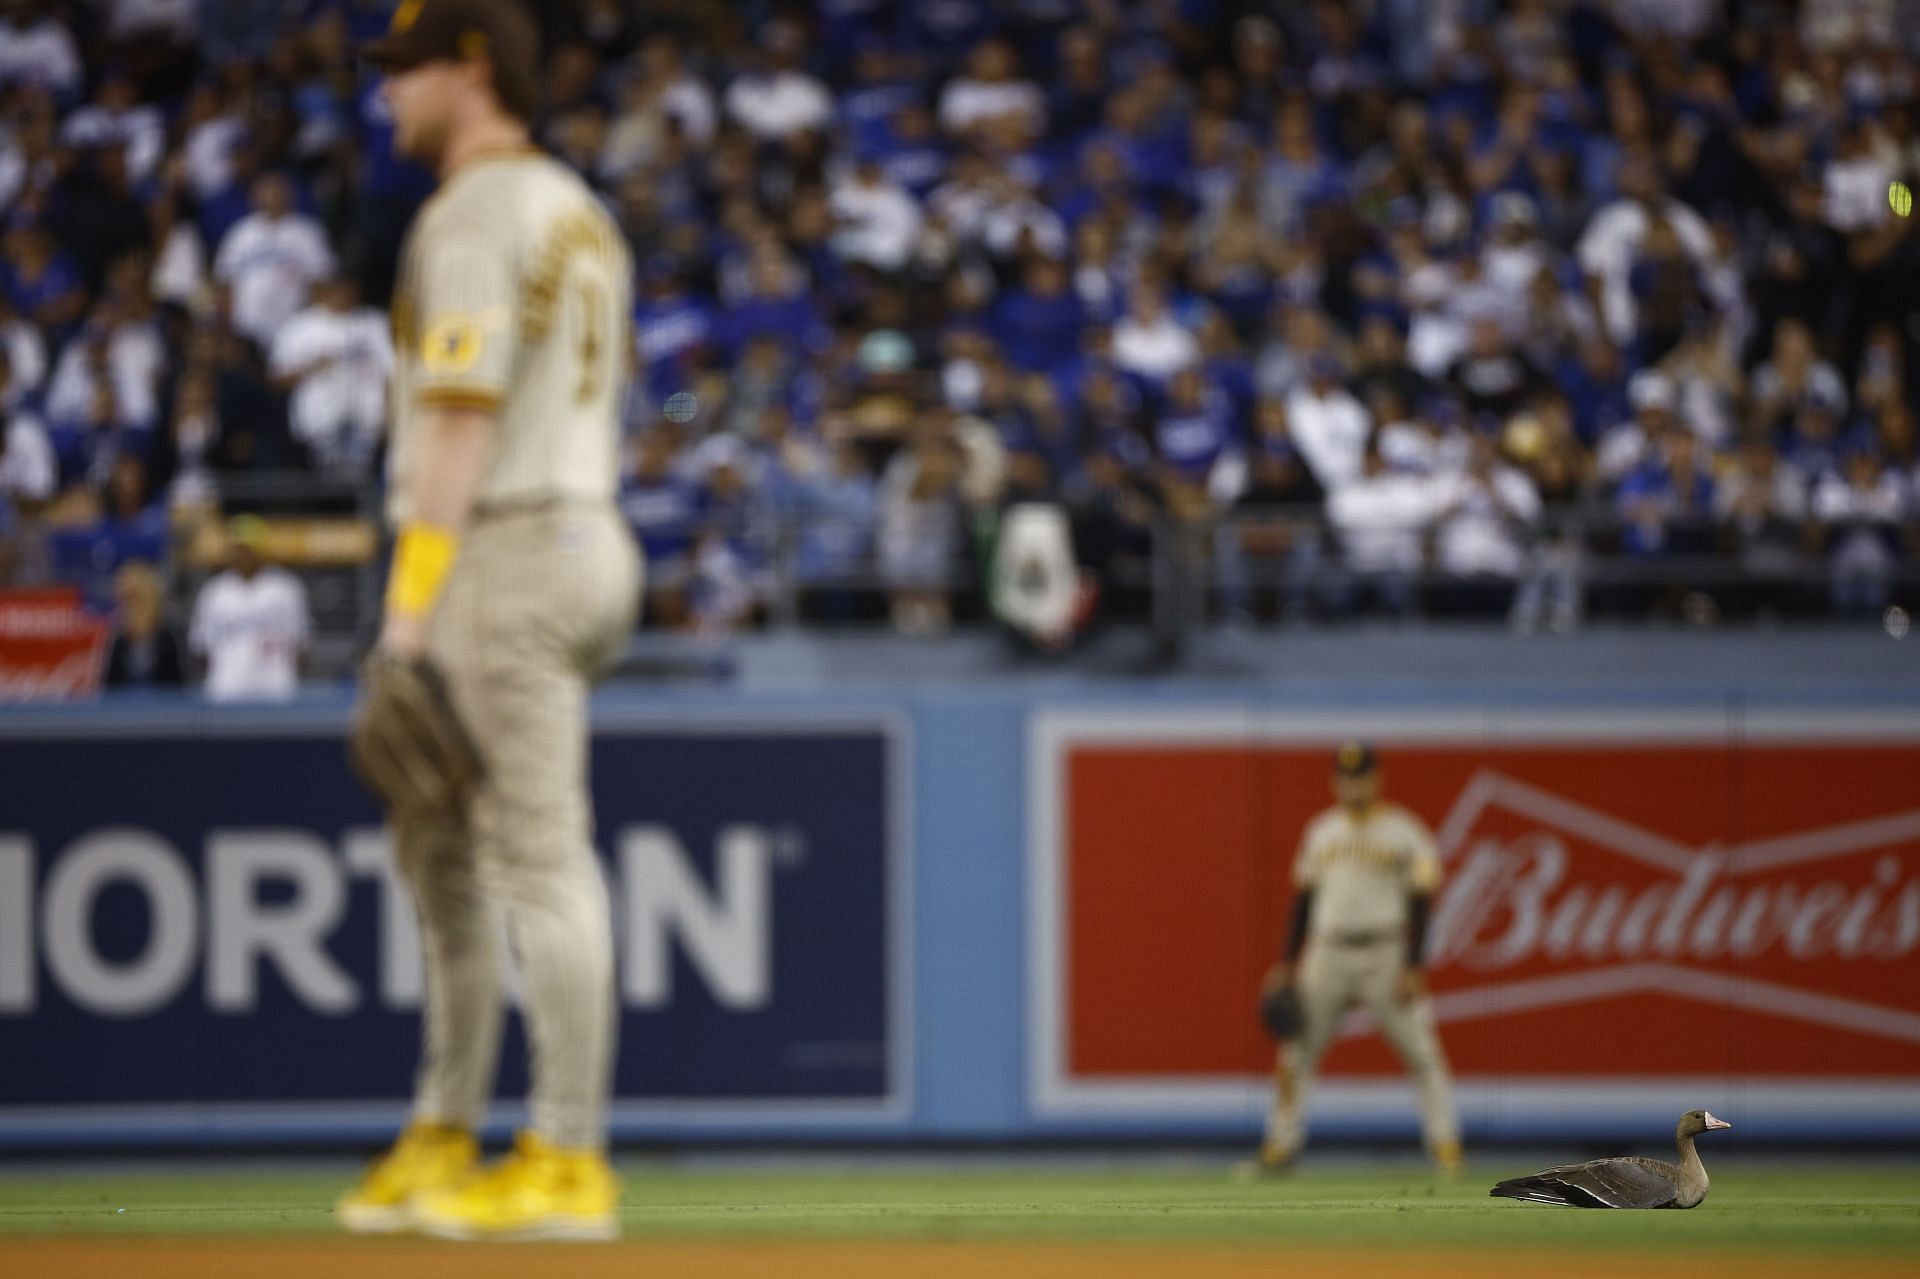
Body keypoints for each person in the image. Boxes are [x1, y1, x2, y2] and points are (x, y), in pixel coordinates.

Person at [336, 0, 641, 1244]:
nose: (385, 94)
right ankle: (444, 1129)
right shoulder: (576, 203)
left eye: (406, 69)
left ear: (473, 67)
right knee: (447, 855)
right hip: (580, 522)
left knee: (531, 855)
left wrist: (407, 616)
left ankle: (566, 1156)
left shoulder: (470, 211)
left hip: (508, 540)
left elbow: (458, 420)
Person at [1251, 742, 1461, 1174]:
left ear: (1376, 779)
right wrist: (1287, 963)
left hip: (1386, 951)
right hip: (1327, 951)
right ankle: (1280, 1144)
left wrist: (1414, 966)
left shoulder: (1405, 832)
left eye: (1361, 775)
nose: (1353, 784)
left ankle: (1446, 1146)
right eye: (1346, 777)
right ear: (1335, 781)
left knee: (1422, 1053)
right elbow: (1304, 901)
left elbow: (1422, 901)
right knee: (1296, 1051)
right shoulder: (1322, 831)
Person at [187, 514, 309, 702]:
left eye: (249, 548)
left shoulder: (286, 588)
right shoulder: (214, 593)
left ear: (260, 550)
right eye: (238, 548)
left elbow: (301, 646)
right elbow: (202, 650)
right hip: (226, 691)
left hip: (276, 691)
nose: (243, 554)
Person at [103, 559, 183, 687]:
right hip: (124, 705)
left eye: (132, 599)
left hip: (164, 705)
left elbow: (178, 683)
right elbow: (110, 687)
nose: (127, 607)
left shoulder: (167, 638)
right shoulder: (119, 641)